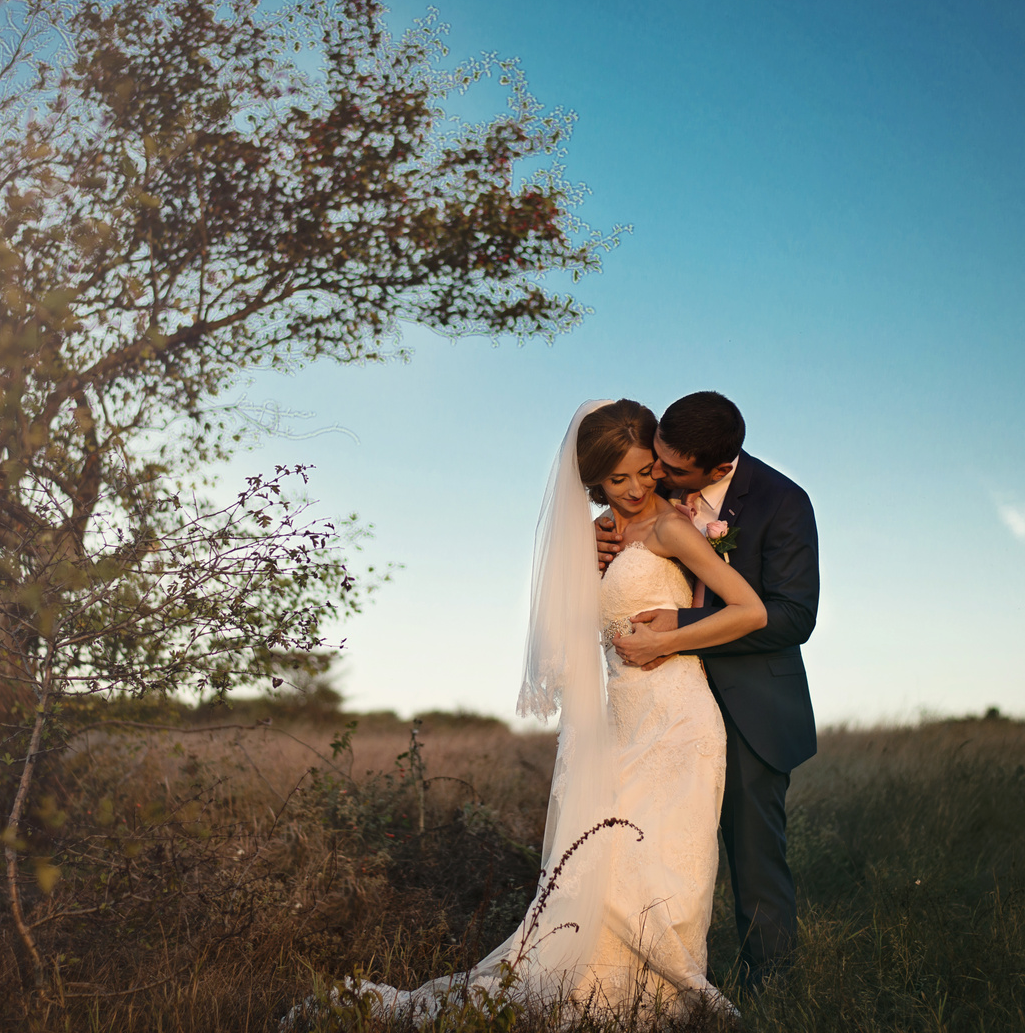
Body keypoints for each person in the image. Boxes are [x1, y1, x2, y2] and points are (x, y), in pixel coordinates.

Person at [317, 399, 766, 1024]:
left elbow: (751, 611)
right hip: (621, 721)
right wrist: (588, 558)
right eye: (618, 480)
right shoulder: (599, 536)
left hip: (680, 720)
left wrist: (668, 637)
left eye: (645, 472)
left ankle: (658, 1001)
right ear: (593, 483)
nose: (636, 489)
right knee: (599, 862)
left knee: (662, 871)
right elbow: (577, 630)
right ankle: (591, 996)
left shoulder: (671, 528)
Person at [598, 391, 819, 992]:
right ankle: (651, 977)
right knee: (650, 843)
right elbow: (632, 517)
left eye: (671, 469)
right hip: (661, 701)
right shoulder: (655, 489)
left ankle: (768, 988)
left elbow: (794, 615)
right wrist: (606, 538)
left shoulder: (783, 502)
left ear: (720, 468)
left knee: (753, 855)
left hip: (751, 705)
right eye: (655, 461)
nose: (657, 476)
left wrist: (680, 630)